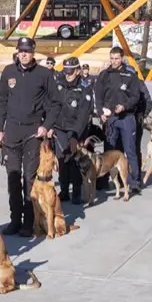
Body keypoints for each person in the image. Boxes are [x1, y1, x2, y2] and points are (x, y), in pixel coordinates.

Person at [0, 37, 63, 236]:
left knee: (29, 178)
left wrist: (46, 125)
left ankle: (29, 222)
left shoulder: (44, 74)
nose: (23, 54)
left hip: (33, 131)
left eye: (27, 51)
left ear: (33, 53)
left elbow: (56, 103)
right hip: (12, 132)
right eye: (20, 50)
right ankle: (15, 219)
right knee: (13, 176)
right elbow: (1, 101)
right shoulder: (8, 72)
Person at [94, 46, 143, 190]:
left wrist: (125, 106)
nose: (114, 61)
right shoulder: (104, 75)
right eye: (112, 58)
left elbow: (136, 96)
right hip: (110, 119)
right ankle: (103, 181)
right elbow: (98, 97)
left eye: (116, 59)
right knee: (108, 152)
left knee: (130, 150)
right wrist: (100, 113)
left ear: (122, 58)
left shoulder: (130, 74)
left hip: (126, 117)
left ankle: (134, 182)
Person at [51, 57, 92, 202]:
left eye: (71, 71)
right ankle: (64, 191)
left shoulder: (84, 87)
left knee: (75, 161)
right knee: (62, 160)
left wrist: (75, 135)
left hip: (76, 129)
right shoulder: (58, 83)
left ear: (78, 70)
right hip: (60, 128)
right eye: (66, 71)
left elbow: (83, 114)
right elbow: (52, 104)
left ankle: (76, 192)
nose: (68, 74)